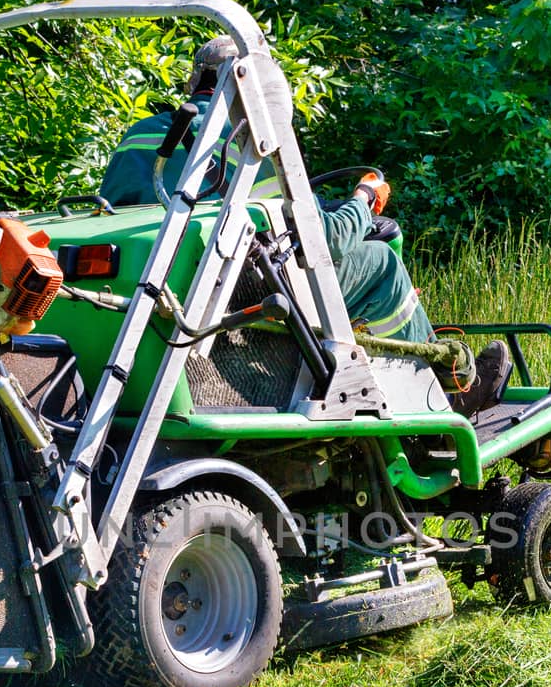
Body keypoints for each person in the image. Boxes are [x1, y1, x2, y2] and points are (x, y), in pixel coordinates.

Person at [99, 37, 507, 415]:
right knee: (380, 261)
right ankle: (451, 387)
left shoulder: (144, 136)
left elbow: (112, 212)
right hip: (249, 295)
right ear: (257, 85)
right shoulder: (259, 141)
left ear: (194, 82)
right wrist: (362, 200)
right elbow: (326, 242)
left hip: (165, 292)